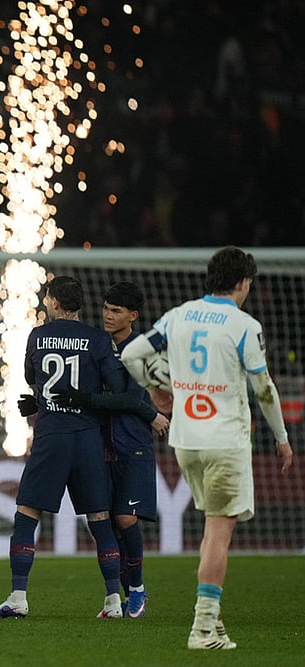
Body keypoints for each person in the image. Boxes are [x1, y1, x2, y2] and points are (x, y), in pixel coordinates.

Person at [121, 247, 293, 650]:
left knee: (213, 529)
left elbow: (131, 353)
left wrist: (157, 386)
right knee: (220, 531)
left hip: (185, 440)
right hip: (224, 441)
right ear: (243, 283)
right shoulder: (243, 325)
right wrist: (282, 439)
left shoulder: (178, 316)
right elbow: (264, 389)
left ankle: (213, 625)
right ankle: (202, 628)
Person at [0, 275, 129, 620]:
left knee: (26, 514)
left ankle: (18, 596)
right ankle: (113, 601)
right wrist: (89, 399)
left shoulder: (38, 335)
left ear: (53, 302)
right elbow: (119, 386)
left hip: (51, 436)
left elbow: (30, 378)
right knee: (99, 519)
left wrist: (44, 401)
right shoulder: (98, 339)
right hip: (87, 439)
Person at [52, 282, 170, 618]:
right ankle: (121, 592)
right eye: (105, 308)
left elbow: (131, 399)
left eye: (116, 311)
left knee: (124, 517)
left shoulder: (142, 351)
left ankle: (137, 589)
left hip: (133, 446)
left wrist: (149, 413)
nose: (107, 315)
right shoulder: (97, 345)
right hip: (98, 445)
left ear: (132, 316)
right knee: (102, 522)